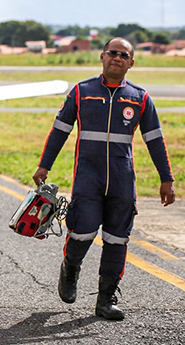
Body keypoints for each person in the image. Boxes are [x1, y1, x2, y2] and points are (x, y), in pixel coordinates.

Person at [33, 37, 175, 321]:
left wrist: (166, 179)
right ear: (102, 56)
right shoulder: (82, 92)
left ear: (131, 63)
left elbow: (155, 140)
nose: (117, 58)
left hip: (122, 181)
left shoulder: (140, 97)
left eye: (124, 55)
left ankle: (105, 299)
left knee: (117, 239)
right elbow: (60, 130)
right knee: (82, 231)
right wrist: (44, 166)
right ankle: (70, 269)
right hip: (88, 178)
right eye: (113, 53)